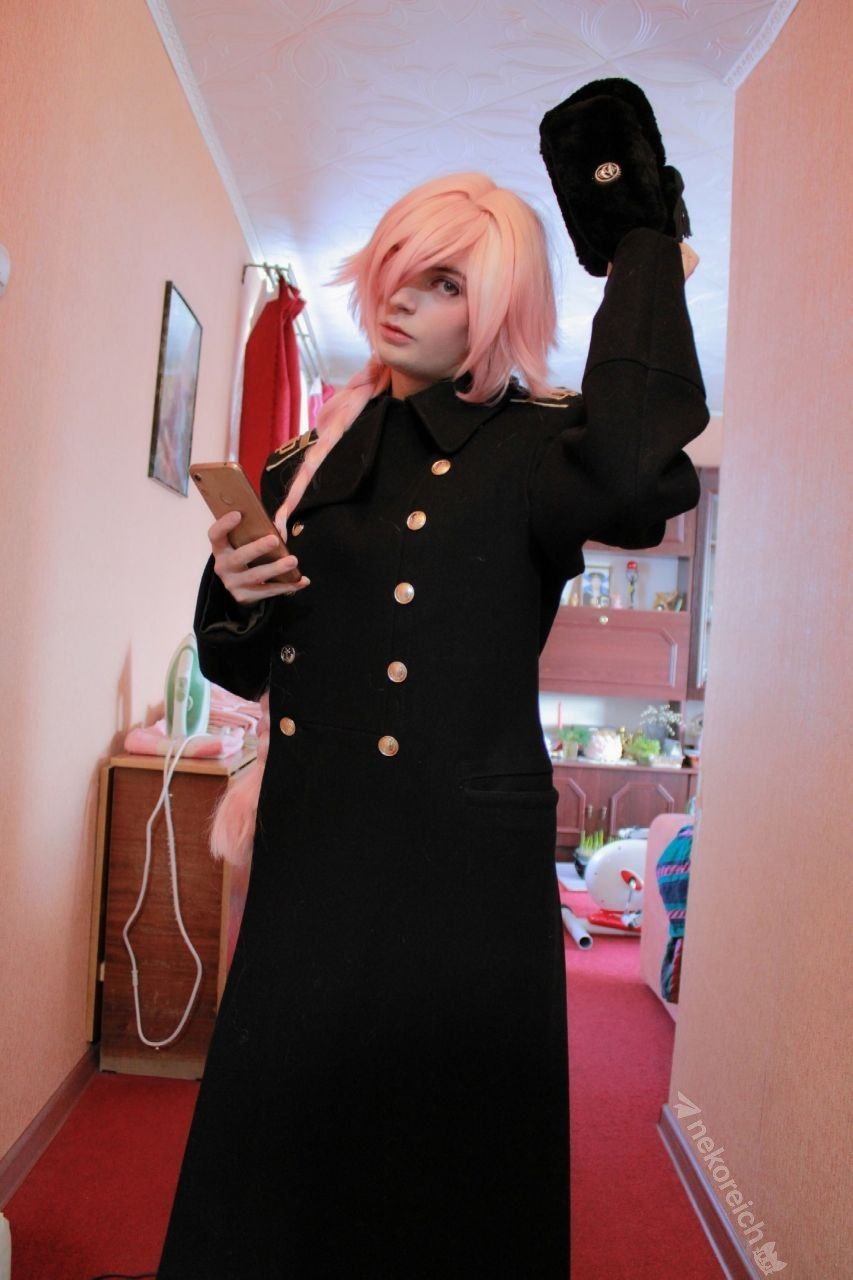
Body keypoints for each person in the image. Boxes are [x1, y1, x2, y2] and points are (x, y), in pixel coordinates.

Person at [157, 169, 707, 1278]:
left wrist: (644, 245)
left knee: (443, 1149)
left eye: (445, 282)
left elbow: (635, 476)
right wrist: (234, 589)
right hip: (316, 841)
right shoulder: (301, 460)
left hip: (458, 858)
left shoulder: (539, 445)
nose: (402, 296)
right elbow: (237, 660)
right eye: (397, 269)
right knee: (287, 1132)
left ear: (495, 309)